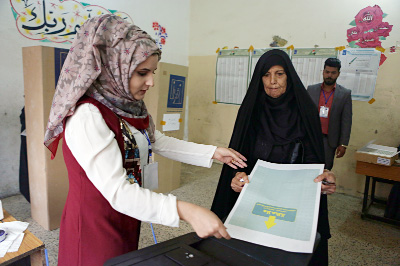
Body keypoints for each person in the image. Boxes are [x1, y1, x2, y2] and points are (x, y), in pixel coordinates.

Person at [44, 14, 247, 266]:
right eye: (142, 73)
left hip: (127, 211)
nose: (150, 82)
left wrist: (213, 152)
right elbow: (117, 192)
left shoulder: (126, 106)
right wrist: (187, 211)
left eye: (152, 72)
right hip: (95, 223)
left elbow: (154, 140)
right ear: (112, 66)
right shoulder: (88, 116)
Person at [211, 49, 336, 266]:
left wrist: (322, 177)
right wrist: (236, 175)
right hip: (255, 194)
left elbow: (314, 159)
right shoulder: (251, 110)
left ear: (289, 75)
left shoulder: (305, 111)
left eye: (279, 74)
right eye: (266, 75)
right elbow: (238, 155)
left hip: (293, 197)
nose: (272, 82)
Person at [307, 58, 352, 170]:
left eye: (333, 73)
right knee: (307, 167)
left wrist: (343, 144)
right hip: (310, 138)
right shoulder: (311, 90)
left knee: (325, 170)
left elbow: (346, 121)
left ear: (338, 74)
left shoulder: (345, 94)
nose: (329, 75)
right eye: (327, 72)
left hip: (329, 140)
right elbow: (304, 114)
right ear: (323, 72)